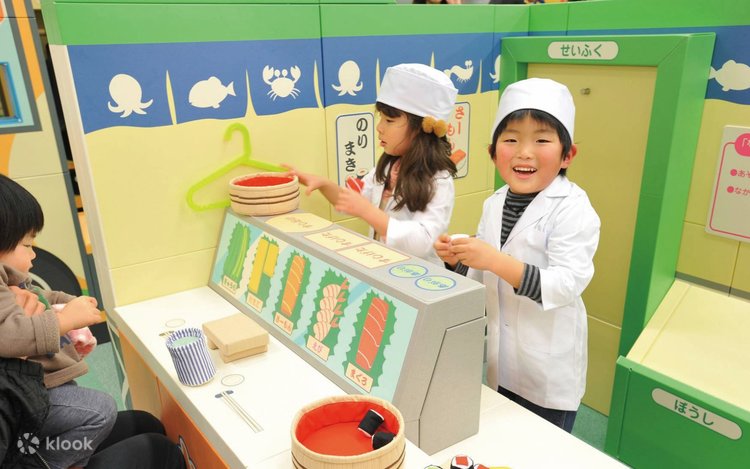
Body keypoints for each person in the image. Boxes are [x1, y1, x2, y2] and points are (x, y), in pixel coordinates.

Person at [434, 78, 600, 432]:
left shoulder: (573, 208)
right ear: (493, 153)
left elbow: (566, 284)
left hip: (548, 373)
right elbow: (483, 276)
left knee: (542, 448)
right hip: (503, 360)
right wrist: (457, 259)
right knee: (504, 440)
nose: (524, 152)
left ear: (568, 155)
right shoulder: (494, 204)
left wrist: (493, 259)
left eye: (541, 140)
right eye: (511, 140)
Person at [288, 63, 458, 266]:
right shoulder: (388, 168)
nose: (379, 127)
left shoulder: (439, 180)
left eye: (389, 121)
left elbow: (422, 242)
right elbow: (354, 201)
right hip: (384, 266)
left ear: (422, 128)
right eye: (381, 119)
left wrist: (368, 212)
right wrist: (324, 184)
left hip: (419, 274)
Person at [0, 174, 115, 468]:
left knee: (89, 408)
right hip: (19, 399)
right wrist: (64, 320)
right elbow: (9, 335)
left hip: (36, 388)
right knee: (100, 411)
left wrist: (69, 302)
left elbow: (42, 295)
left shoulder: (12, 280)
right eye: (27, 244)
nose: (33, 254)